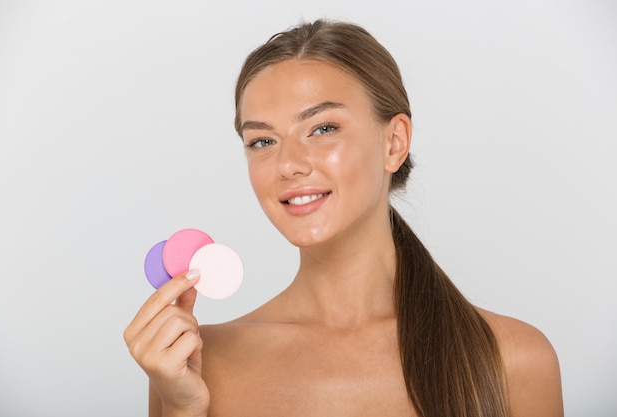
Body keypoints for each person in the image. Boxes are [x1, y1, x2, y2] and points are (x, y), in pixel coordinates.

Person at [124, 19, 563, 417]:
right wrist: (182, 408)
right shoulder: (197, 365)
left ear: (394, 143)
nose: (288, 165)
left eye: (323, 128)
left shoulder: (514, 360)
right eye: (262, 141)